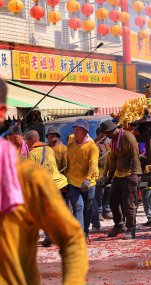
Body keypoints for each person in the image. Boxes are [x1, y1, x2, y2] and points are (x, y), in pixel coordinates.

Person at [0, 78, 88, 284]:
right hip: (65, 181)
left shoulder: (27, 175)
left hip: (65, 183)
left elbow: (71, 239)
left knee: (79, 208)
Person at [25, 130, 69, 246]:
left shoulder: (32, 153)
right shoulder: (49, 149)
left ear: (33, 140)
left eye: (27, 140)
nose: (26, 143)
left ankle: (50, 237)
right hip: (59, 184)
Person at [100, 120, 142, 240]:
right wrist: (109, 177)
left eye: (107, 133)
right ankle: (119, 225)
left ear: (113, 130)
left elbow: (135, 155)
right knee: (113, 201)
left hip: (130, 174)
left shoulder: (128, 137)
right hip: (119, 175)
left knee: (128, 203)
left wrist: (135, 174)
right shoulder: (113, 141)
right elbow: (113, 160)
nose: (106, 136)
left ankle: (131, 229)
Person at [67, 119, 99, 239]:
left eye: (78, 130)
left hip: (88, 182)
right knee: (78, 206)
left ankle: (85, 230)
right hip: (73, 181)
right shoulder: (71, 140)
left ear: (85, 131)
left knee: (87, 206)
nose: (74, 132)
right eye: (74, 129)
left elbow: (93, 165)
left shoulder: (92, 147)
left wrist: (88, 179)